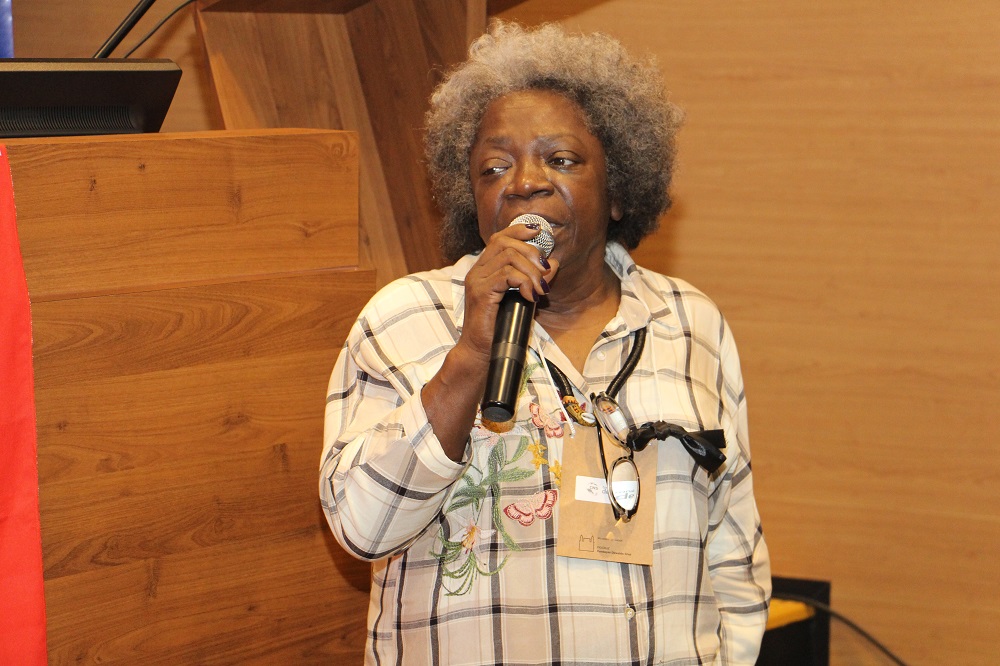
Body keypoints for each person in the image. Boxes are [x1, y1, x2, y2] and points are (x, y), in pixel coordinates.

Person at [320, 20, 771, 665]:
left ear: (618, 192)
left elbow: (733, 550)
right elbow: (362, 529)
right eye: (494, 167)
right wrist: (469, 359)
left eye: (560, 160)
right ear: (471, 199)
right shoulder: (402, 320)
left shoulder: (690, 322)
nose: (524, 183)